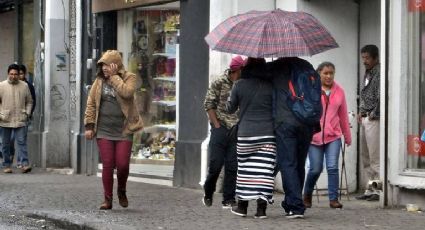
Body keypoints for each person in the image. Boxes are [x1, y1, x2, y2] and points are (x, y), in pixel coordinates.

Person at [84, 50, 143, 210]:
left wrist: (114, 77)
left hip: (124, 129)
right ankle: (107, 199)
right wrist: (89, 125)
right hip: (103, 130)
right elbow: (91, 103)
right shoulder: (99, 81)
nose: (104, 68)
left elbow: (127, 93)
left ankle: (121, 190)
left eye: (107, 65)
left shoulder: (129, 77)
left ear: (115, 65)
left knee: (123, 164)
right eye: (102, 65)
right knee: (108, 164)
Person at [269, 57, 319, 219]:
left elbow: (250, 73)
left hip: (286, 123)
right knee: (299, 163)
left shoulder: (277, 66)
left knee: (288, 163)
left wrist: (251, 62)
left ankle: (295, 206)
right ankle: (293, 202)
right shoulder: (307, 66)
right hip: (307, 122)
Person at [226, 58, 276, 219]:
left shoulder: (239, 85)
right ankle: (261, 210)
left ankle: (242, 207)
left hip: (246, 134)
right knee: (265, 171)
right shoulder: (271, 86)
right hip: (268, 134)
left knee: (245, 170)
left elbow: (229, 108)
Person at [303, 62, 352, 209]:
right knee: (315, 168)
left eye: (331, 73)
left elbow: (343, 115)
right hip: (314, 137)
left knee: (332, 167)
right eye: (326, 73)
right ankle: (307, 194)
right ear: (319, 74)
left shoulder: (339, 91)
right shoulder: (311, 90)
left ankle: (333, 199)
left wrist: (347, 136)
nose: (329, 76)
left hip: (333, 136)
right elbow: (305, 112)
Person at [202, 56, 244, 208]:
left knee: (233, 165)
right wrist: (216, 124)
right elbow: (208, 104)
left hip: (236, 128)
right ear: (237, 70)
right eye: (243, 69)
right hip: (220, 127)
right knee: (216, 164)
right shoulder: (219, 82)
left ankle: (228, 198)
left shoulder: (243, 84)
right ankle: (208, 191)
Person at [355, 45, 381, 202]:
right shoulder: (368, 72)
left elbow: (381, 96)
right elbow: (364, 94)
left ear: (375, 58)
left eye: (367, 58)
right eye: (363, 57)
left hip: (373, 118)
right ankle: (370, 188)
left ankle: (378, 191)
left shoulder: (379, 73)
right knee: (365, 156)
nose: (364, 61)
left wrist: (373, 114)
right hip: (364, 116)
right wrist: (360, 111)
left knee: (375, 156)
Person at [0, 64, 33, 173]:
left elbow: (29, 101)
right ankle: (6, 165)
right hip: (5, 120)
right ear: (8, 74)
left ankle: (24, 164)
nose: (13, 76)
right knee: (5, 144)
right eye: (11, 74)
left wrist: (27, 113)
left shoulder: (24, 86)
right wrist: (1, 114)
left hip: (21, 119)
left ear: (19, 75)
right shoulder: (1, 86)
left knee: (21, 142)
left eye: (15, 74)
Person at [12, 64, 36, 168]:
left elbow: (32, 101)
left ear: (24, 74)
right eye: (18, 74)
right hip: (10, 118)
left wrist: (28, 113)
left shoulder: (28, 86)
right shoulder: (10, 85)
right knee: (10, 139)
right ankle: (10, 158)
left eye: (21, 73)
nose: (19, 76)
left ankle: (21, 162)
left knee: (21, 140)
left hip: (24, 117)